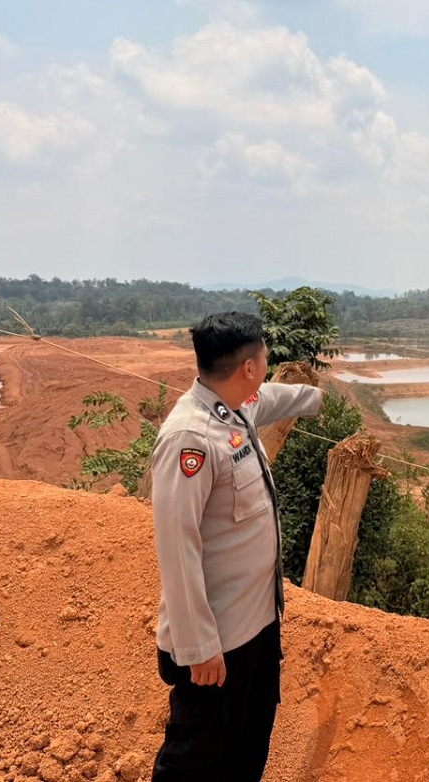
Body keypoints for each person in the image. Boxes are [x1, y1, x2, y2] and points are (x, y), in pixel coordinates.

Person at [150, 311, 324, 780]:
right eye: (264, 357)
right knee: (195, 760)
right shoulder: (189, 439)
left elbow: (272, 398)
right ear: (249, 366)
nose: (266, 365)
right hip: (217, 644)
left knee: (247, 747)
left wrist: (317, 399)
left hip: (257, 626)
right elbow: (177, 548)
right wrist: (199, 646)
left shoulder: (235, 407)